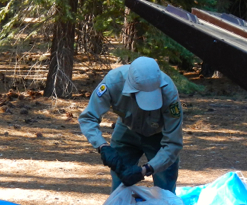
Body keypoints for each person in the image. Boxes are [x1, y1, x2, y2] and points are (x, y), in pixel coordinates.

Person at [78, 56, 183, 193]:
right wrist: (102, 146)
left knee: (165, 186)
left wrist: (146, 170)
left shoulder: (169, 94)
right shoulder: (112, 83)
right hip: (126, 130)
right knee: (120, 180)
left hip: (159, 135)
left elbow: (173, 143)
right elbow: (88, 117)